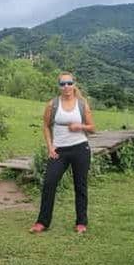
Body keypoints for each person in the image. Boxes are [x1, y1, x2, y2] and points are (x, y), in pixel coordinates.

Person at [30, 72, 96, 234]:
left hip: (80, 148)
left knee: (80, 185)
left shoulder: (82, 104)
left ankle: (81, 222)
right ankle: (42, 222)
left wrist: (79, 126)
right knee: (49, 183)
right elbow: (45, 125)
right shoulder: (52, 104)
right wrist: (50, 147)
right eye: (62, 84)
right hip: (59, 150)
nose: (66, 86)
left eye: (69, 83)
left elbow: (92, 128)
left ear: (74, 84)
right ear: (59, 86)